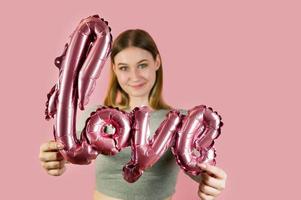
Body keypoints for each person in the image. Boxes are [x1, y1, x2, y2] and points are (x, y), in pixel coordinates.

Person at [39, 29, 227, 200]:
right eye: (124, 67)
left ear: (157, 62)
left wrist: (211, 182)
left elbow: (199, 170)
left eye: (142, 65)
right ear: (114, 69)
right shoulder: (96, 118)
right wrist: (54, 160)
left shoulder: (182, 120)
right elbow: (66, 154)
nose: (134, 76)